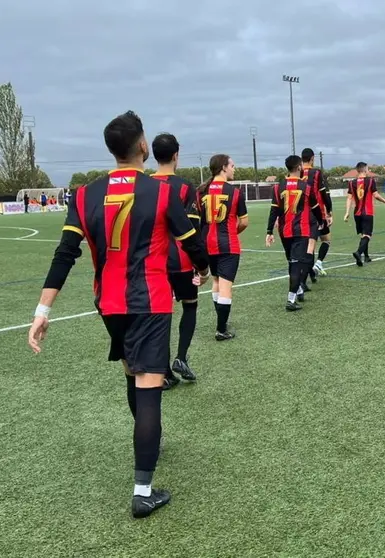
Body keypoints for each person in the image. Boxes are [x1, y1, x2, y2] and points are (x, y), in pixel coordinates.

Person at [26, 110, 210, 518]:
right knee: (149, 385)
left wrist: (43, 309)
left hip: (108, 303)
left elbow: (65, 255)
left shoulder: (85, 194)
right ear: (142, 145)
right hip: (151, 301)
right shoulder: (162, 192)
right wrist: (202, 270)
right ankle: (142, 489)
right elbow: (191, 240)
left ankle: (147, 443)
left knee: (132, 372)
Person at [150, 133, 200, 389]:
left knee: (160, 314)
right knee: (189, 306)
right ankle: (181, 357)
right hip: (181, 259)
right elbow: (193, 228)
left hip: (152, 262)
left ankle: (164, 371)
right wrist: (201, 264)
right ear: (175, 155)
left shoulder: (144, 185)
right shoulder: (184, 187)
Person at [196, 154, 249, 341]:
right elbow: (244, 222)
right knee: (226, 285)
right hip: (228, 244)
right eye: (232, 165)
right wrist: (233, 232)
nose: (234, 169)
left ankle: (221, 322)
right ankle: (221, 329)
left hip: (207, 244)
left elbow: (200, 222)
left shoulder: (201, 191)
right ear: (223, 168)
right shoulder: (235, 192)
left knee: (216, 282)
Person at [267, 155, 322, 311]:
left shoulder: (278, 187)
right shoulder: (306, 187)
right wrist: (321, 220)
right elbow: (315, 207)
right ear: (299, 167)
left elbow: (274, 210)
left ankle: (298, 290)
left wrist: (269, 230)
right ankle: (291, 300)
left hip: (285, 231)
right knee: (298, 264)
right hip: (301, 230)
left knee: (292, 262)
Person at [343, 162, 385, 266]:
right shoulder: (370, 181)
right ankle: (358, 253)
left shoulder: (351, 183)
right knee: (367, 235)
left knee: (363, 235)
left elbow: (349, 198)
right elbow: (376, 195)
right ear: (364, 170)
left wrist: (347, 213)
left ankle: (366, 257)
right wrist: (384, 200)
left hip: (357, 213)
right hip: (367, 212)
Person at [301, 148, 333, 276]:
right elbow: (323, 193)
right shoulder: (316, 173)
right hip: (317, 212)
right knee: (326, 240)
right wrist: (329, 211)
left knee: (310, 243)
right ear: (312, 158)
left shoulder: (297, 172)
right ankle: (318, 263)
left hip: (302, 214)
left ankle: (310, 273)